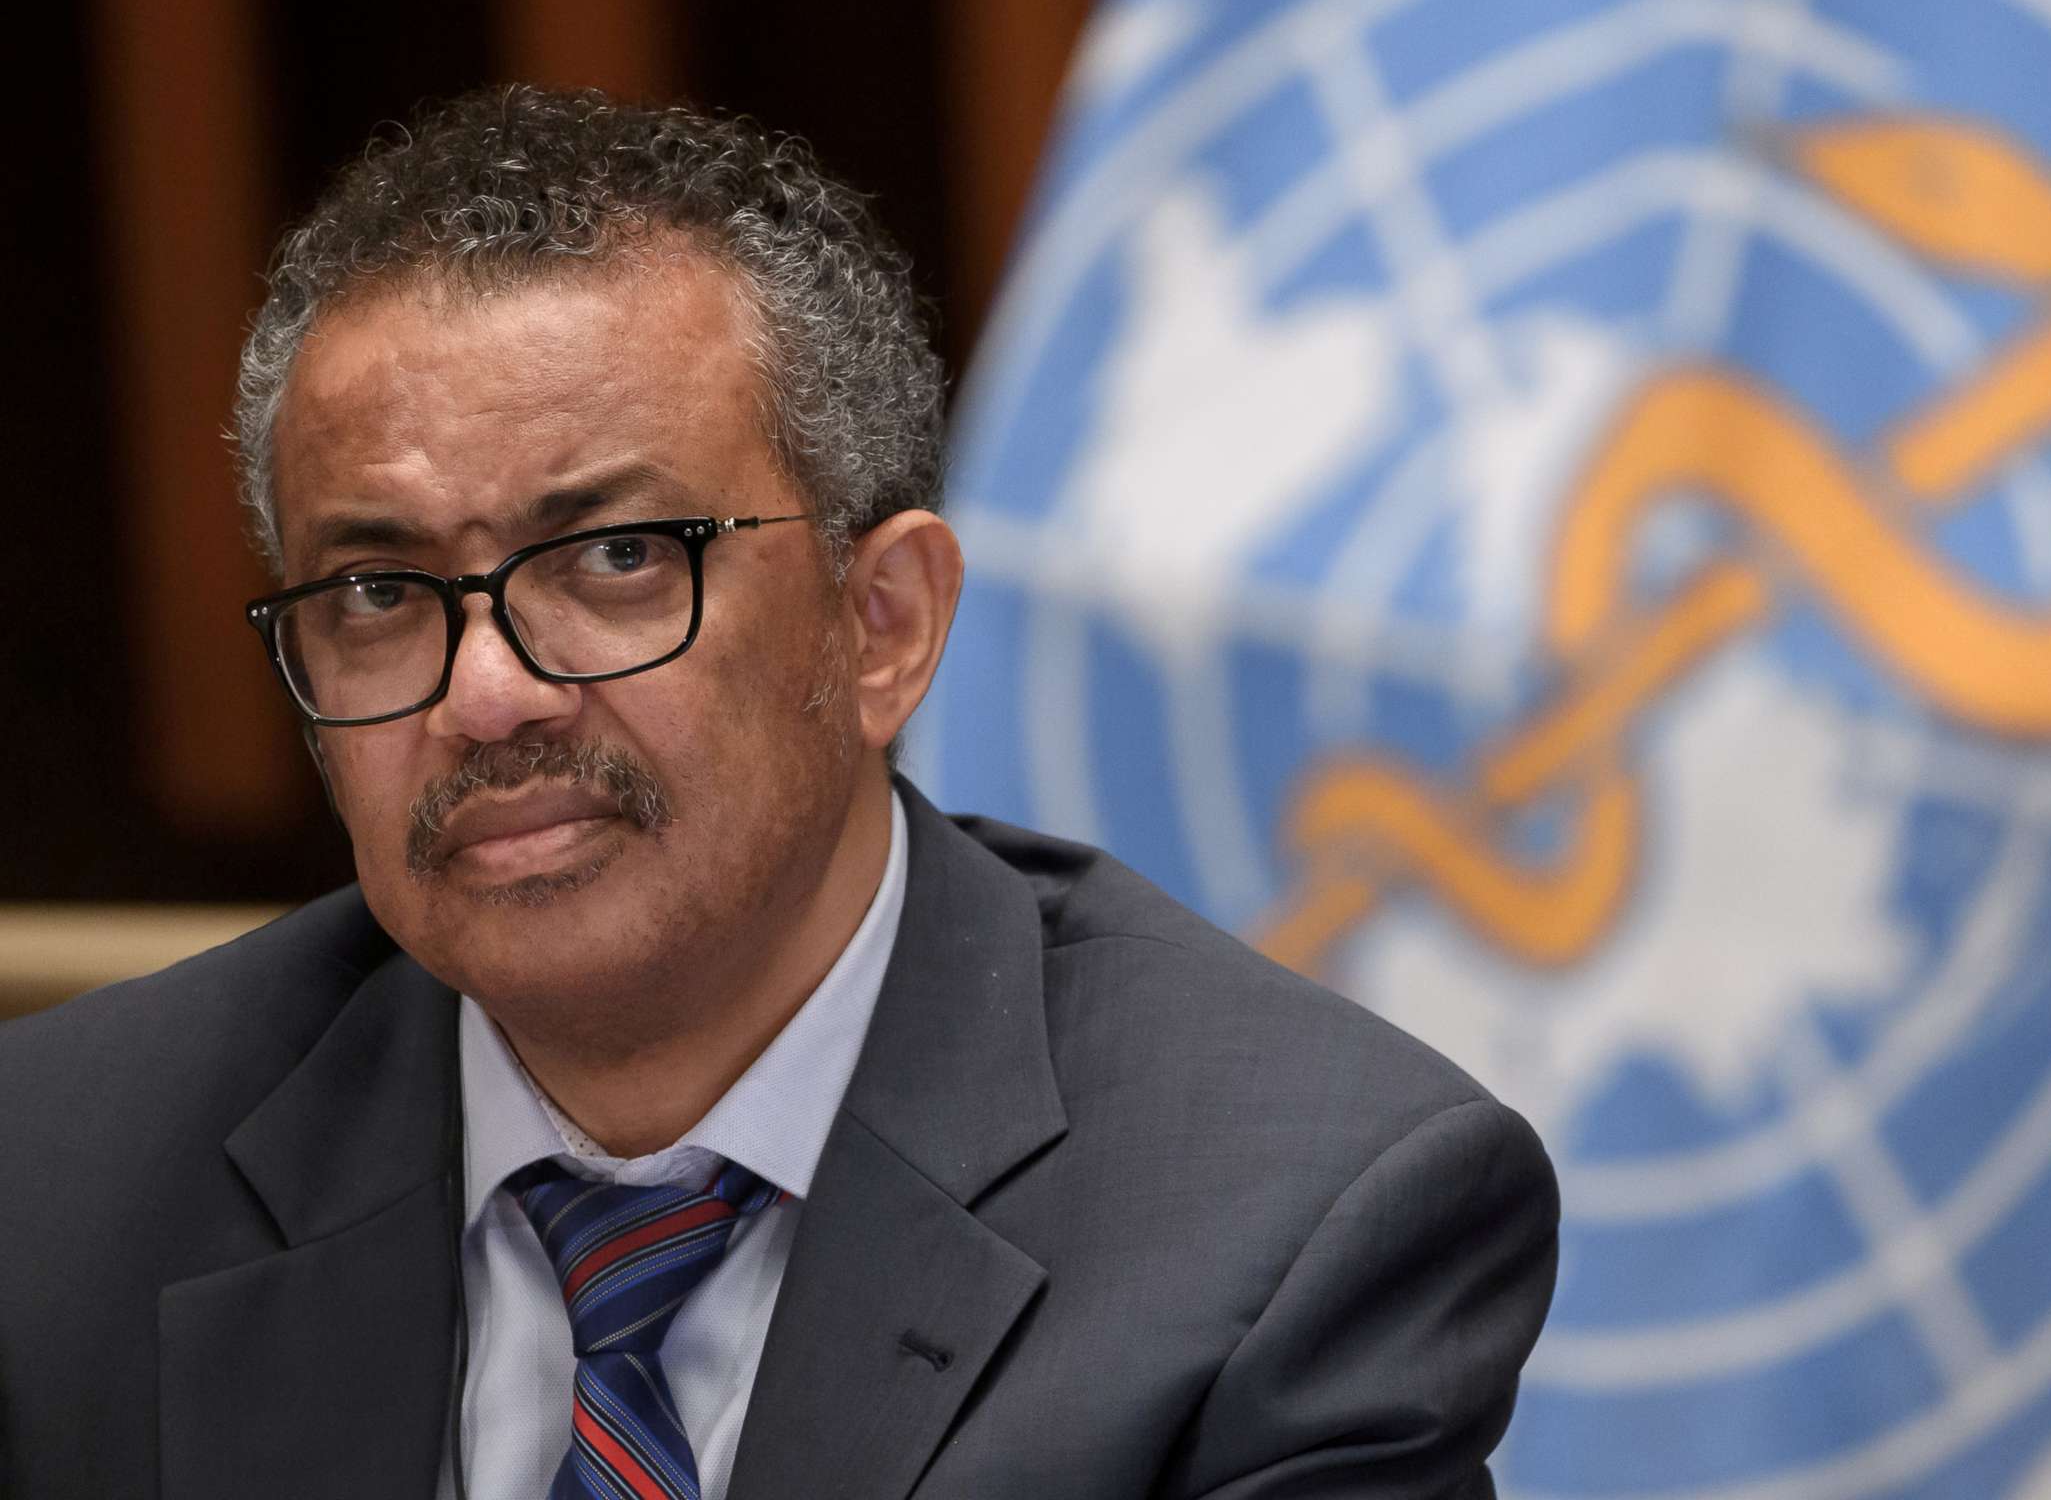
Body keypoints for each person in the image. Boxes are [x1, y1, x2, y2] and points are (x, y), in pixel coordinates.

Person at [0, 86, 1558, 1498]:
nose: (485, 693)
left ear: (882, 626)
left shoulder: (1287, 1226)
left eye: (615, 559)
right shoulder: (59, 1189)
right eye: (378, 595)